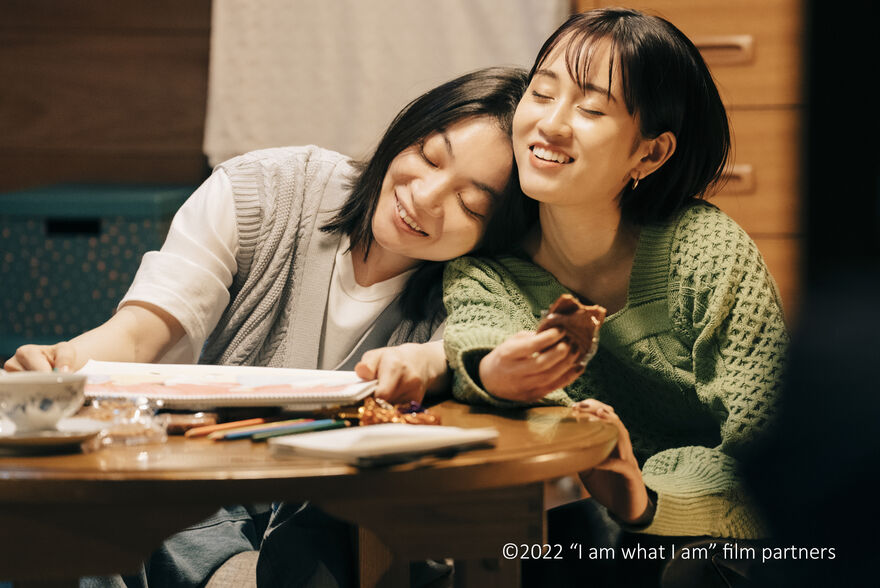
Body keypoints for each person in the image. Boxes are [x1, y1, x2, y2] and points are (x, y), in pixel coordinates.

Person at [5, 67, 532, 587]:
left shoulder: (484, 290)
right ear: (405, 131)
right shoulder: (267, 189)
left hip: (339, 522)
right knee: (117, 499)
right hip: (207, 491)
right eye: (429, 156)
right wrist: (66, 363)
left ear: (497, 232)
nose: (426, 196)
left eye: (471, 203)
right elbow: (145, 329)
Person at [373, 8, 788, 586]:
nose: (552, 124)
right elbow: (483, 335)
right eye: (542, 94)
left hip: (729, 532)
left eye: (591, 108)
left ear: (650, 154)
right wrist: (495, 372)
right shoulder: (488, 265)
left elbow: (769, 446)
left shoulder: (704, 250)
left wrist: (646, 500)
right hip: (585, 532)